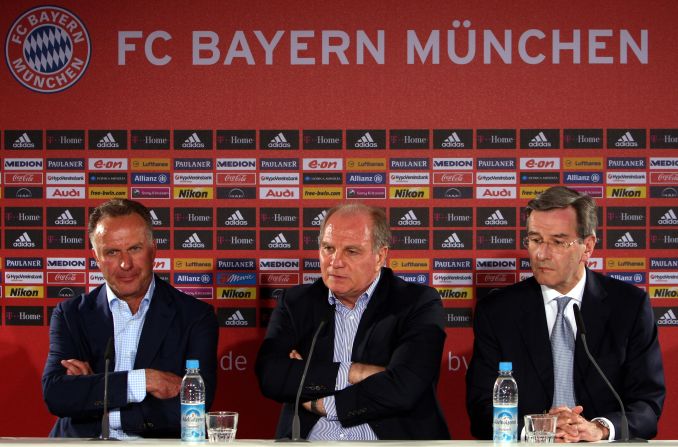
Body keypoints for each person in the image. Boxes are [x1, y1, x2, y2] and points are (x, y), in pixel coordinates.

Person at [466, 186, 665, 441]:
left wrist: (599, 428)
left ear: (588, 247)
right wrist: (541, 428)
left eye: (558, 242)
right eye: (535, 240)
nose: (541, 254)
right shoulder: (498, 312)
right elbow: (481, 410)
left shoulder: (629, 306)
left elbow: (647, 406)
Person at [255, 202, 450, 440]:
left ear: (380, 256)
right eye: (328, 248)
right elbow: (272, 376)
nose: (335, 261)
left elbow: (404, 387)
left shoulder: (416, 302)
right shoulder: (296, 303)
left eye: (351, 251)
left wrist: (319, 403)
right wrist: (353, 371)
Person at [42, 199, 219, 438]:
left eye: (135, 249)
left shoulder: (195, 317)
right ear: (96, 257)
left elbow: (192, 408)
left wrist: (94, 394)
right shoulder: (71, 314)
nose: (125, 264)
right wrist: (144, 380)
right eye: (112, 252)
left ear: (153, 250)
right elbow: (57, 396)